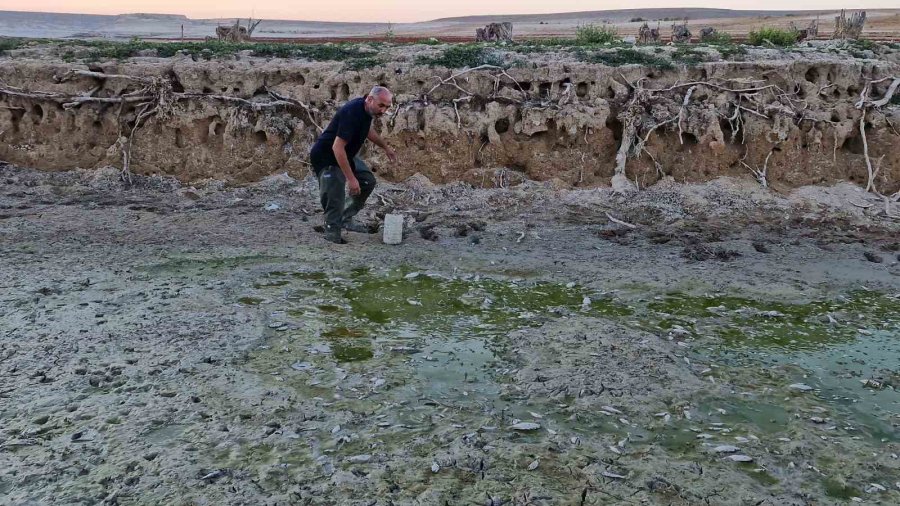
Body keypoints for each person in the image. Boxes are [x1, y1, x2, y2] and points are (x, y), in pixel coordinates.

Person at [309, 85, 398, 244]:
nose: (384, 111)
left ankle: (345, 217)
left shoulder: (367, 110)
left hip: (344, 154)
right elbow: (337, 147)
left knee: (367, 181)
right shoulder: (352, 112)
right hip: (327, 157)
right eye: (381, 105)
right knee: (334, 196)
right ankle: (332, 234)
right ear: (370, 99)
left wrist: (385, 147)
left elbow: (367, 131)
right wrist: (350, 179)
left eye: (387, 107)